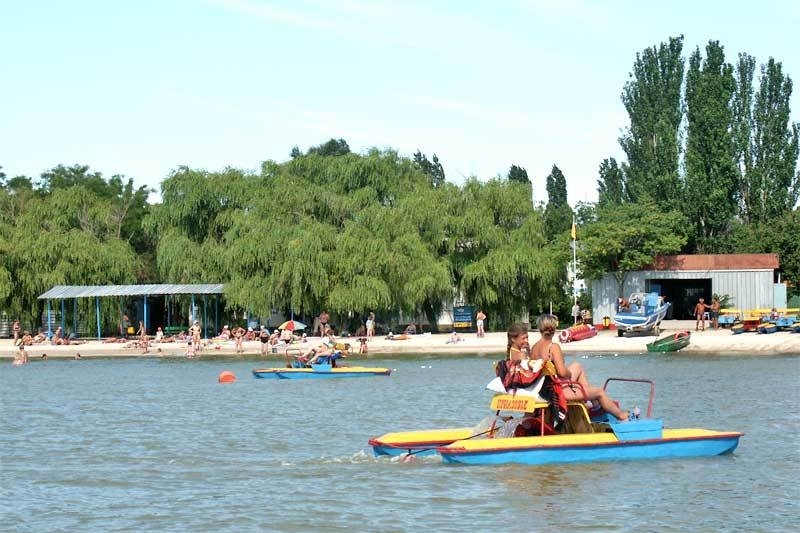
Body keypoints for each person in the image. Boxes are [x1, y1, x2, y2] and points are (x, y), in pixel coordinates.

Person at [529, 314, 629, 422]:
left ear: (540, 328)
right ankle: (620, 415)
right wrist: (568, 374)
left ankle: (593, 403)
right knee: (600, 392)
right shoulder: (553, 347)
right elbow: (562, 373)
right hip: (557, 391)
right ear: (553, 328)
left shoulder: (534, 348)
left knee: (577, 366)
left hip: (543, 389)